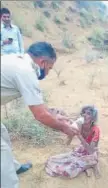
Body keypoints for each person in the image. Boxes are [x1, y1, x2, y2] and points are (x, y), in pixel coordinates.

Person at [1, 42, 79, 188]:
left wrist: (55, 116)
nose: (48, 72)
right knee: (1, 151)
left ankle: (14, 167)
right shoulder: (26, 72)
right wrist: (64, 127)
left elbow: (37, 105)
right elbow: (40, 115)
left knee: (3, 134)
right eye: (49, 68)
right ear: (43, 62)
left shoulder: (18, 61)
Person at [45, 105, 101, 179]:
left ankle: (92, 164)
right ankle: (86, 166)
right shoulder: (80, 124)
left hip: (91, 153)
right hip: (80, 150)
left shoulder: (95, 130)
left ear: (93, 117)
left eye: (88, 113)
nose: (85, 115)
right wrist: (70, 131)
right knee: (51, 160)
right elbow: (68, 142)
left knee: (68, 172)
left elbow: (90, 150)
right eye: (84, 113)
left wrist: (79, 135)